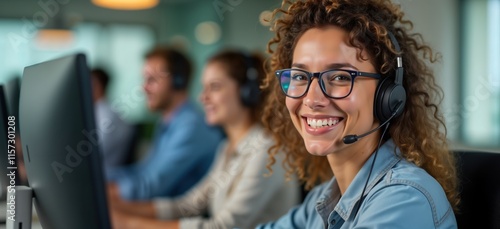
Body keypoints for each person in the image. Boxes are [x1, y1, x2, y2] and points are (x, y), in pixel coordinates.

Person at [257, 0, 459, 228]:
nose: (312, 99)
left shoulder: (405, 200)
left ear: (388, 95)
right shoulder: (323, 199)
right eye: (300, 77)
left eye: (340, 77)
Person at [109, 50, 301, 229]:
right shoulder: (227, 148)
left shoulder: (267, 150)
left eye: (214, 87)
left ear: (246, 92)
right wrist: (119, 208)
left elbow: (224, 226)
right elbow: (188, 205)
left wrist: (129, 223)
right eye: (203, 88)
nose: (203, 97)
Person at [107, 46, 224, 201]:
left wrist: (99, 190)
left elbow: (150, 188)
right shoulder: (168, 122)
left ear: (178, 81)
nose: (144, 88)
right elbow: (143, 172)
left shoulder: (192, 126)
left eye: (152, 80)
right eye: (144, 79)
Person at [91, 68, 136, 171]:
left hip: (106, 174)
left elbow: (93, 152)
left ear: (97, 85)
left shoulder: (106, 115)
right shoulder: (110, 112)